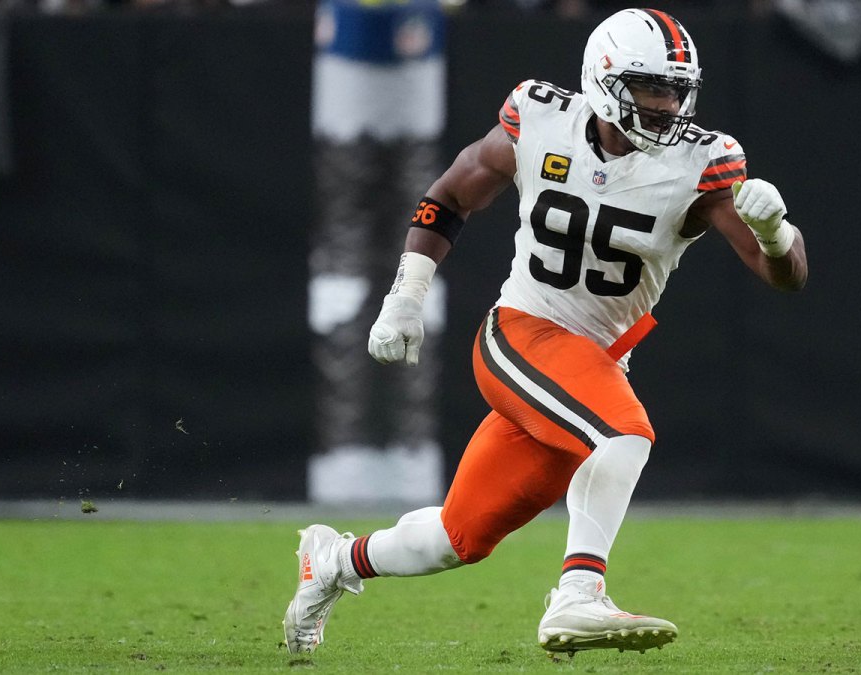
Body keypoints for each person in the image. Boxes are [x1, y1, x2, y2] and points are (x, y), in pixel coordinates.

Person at [283, 7, 808, 657]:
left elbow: (782, 275)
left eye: (677, 90)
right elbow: (450, 196)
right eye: (651, 87)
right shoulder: (539, 117)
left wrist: (775, 233)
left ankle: (333, 559)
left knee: (457, 537)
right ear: (604, 79)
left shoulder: (702, 163)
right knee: (624, 432)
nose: (668, 105)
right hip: (522, 332)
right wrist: (405, 297)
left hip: (593, 365)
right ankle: (578, 593)